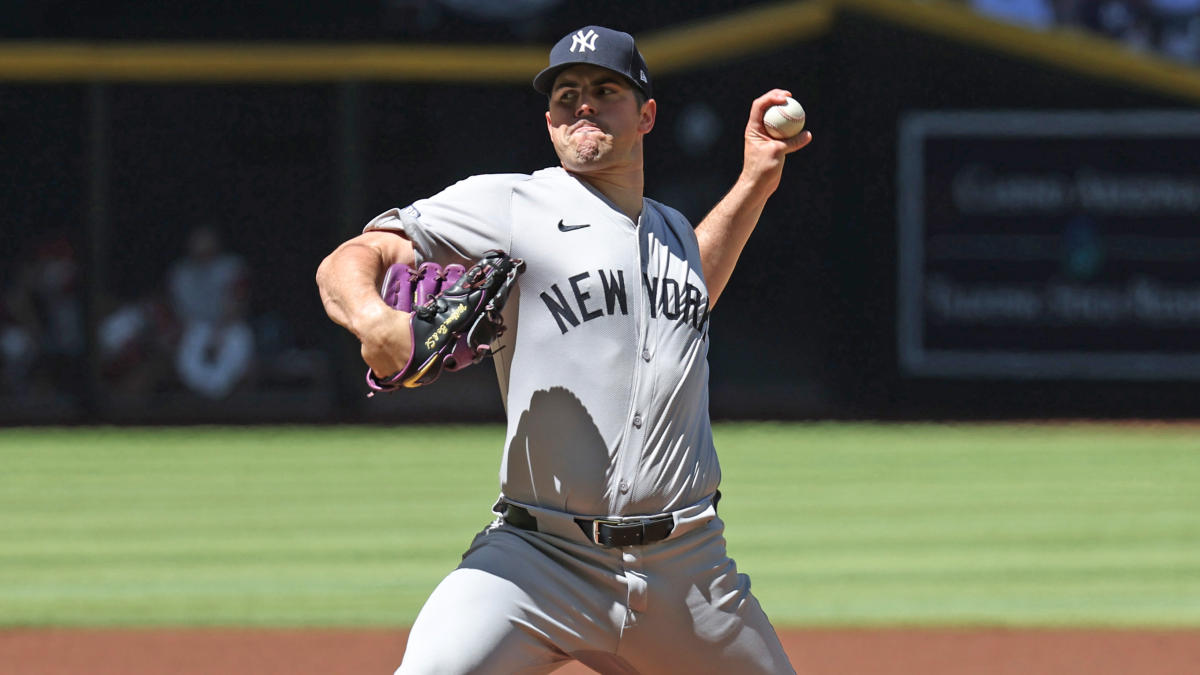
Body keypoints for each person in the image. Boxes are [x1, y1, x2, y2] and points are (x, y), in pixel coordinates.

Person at [317, 26, 811, 675]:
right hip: (538, 561)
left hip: (689, 572)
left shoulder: (670, 233)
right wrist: (377, 323)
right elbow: (352, 257)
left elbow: (690, 290)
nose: (583, 105)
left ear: (646, 115)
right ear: (549, 121)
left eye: (605, 90)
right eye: (566, 94)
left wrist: (756, 180)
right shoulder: (513, 203)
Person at [168, 225, 253, 400]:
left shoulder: (231, 267)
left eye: (207, 242)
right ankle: (203, 401)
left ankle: (220, 398)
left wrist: (219, 334)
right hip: (193, 327)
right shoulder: (180, 273)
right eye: (198, 243)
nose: (202, 247)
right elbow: (176, 310)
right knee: (189, 352)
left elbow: (237, 303)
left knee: (239, 339)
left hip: (227, 326)